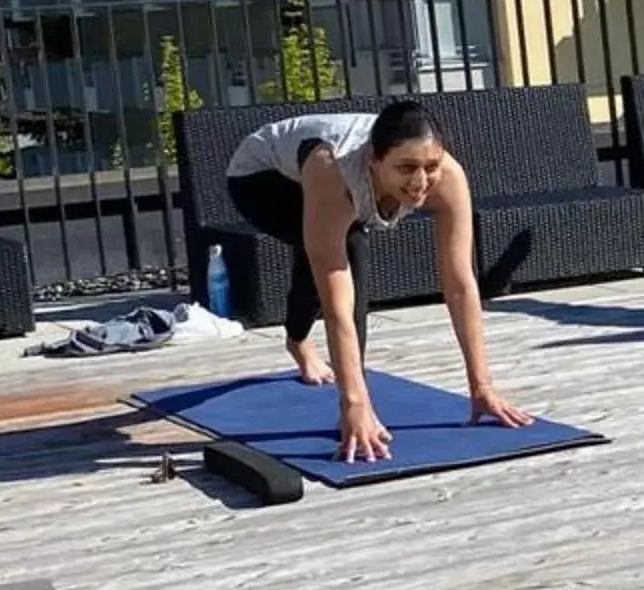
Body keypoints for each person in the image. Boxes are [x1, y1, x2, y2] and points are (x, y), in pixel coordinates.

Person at [220, 100, 533, 464]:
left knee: (323, 249)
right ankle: (346, 389)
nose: (419, 183)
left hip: (325, 187)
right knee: (343, 252)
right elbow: (339, 308)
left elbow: (461, 284)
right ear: (373, 159)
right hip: (261, 180)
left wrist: (482, 388)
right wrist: (355, 403)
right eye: (406, 168)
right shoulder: (333, 169)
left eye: (429, 167)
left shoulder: (448, 176)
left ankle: (298, 339)